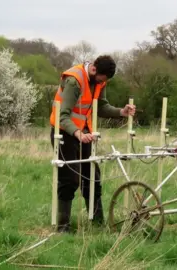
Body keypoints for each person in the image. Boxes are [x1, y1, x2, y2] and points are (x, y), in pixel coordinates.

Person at [49, 55, 136, 232]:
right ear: (94, 69)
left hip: (84, 133)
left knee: (92, 178)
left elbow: (101, 106)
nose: (101, 84)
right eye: (100, 80)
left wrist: (122, 112)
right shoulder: (74, 81)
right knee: (69, 180)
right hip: (64, 134)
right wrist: (78, 133)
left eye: (104, 82)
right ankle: (63, 227)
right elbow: (62, 116)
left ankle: (97, 224)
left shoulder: (100, 81)